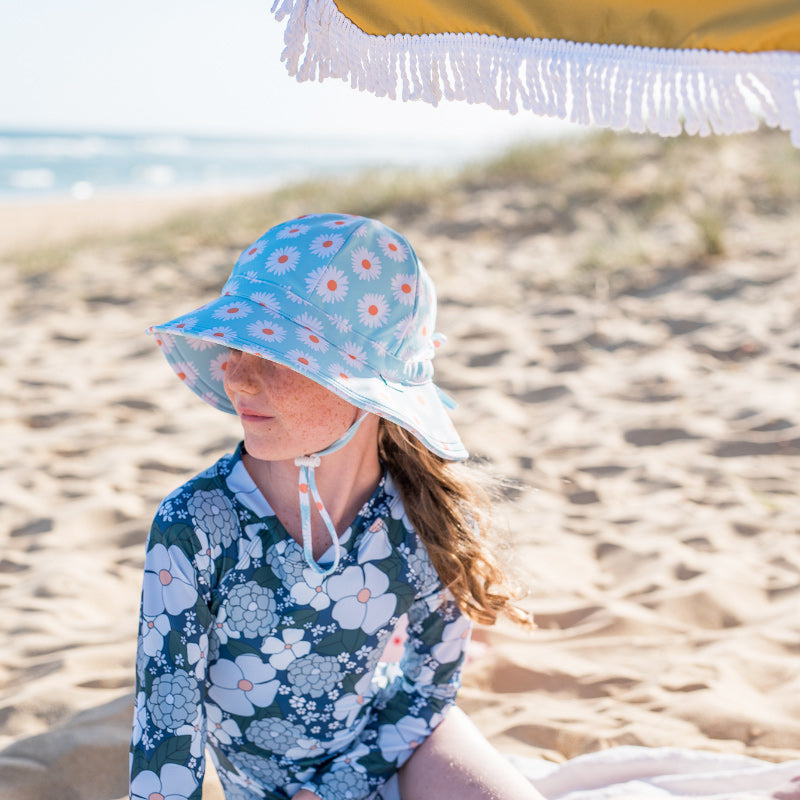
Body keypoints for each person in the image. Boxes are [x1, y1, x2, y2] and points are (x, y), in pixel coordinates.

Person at [130, 213, 542, 800]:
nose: (238, 378)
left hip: (392, 746)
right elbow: (166, 722)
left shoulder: (425, 518)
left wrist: (339, 788)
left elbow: (427, 689)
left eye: (276, 356)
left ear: (364, 388)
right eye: (233, 346)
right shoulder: (196, 525)